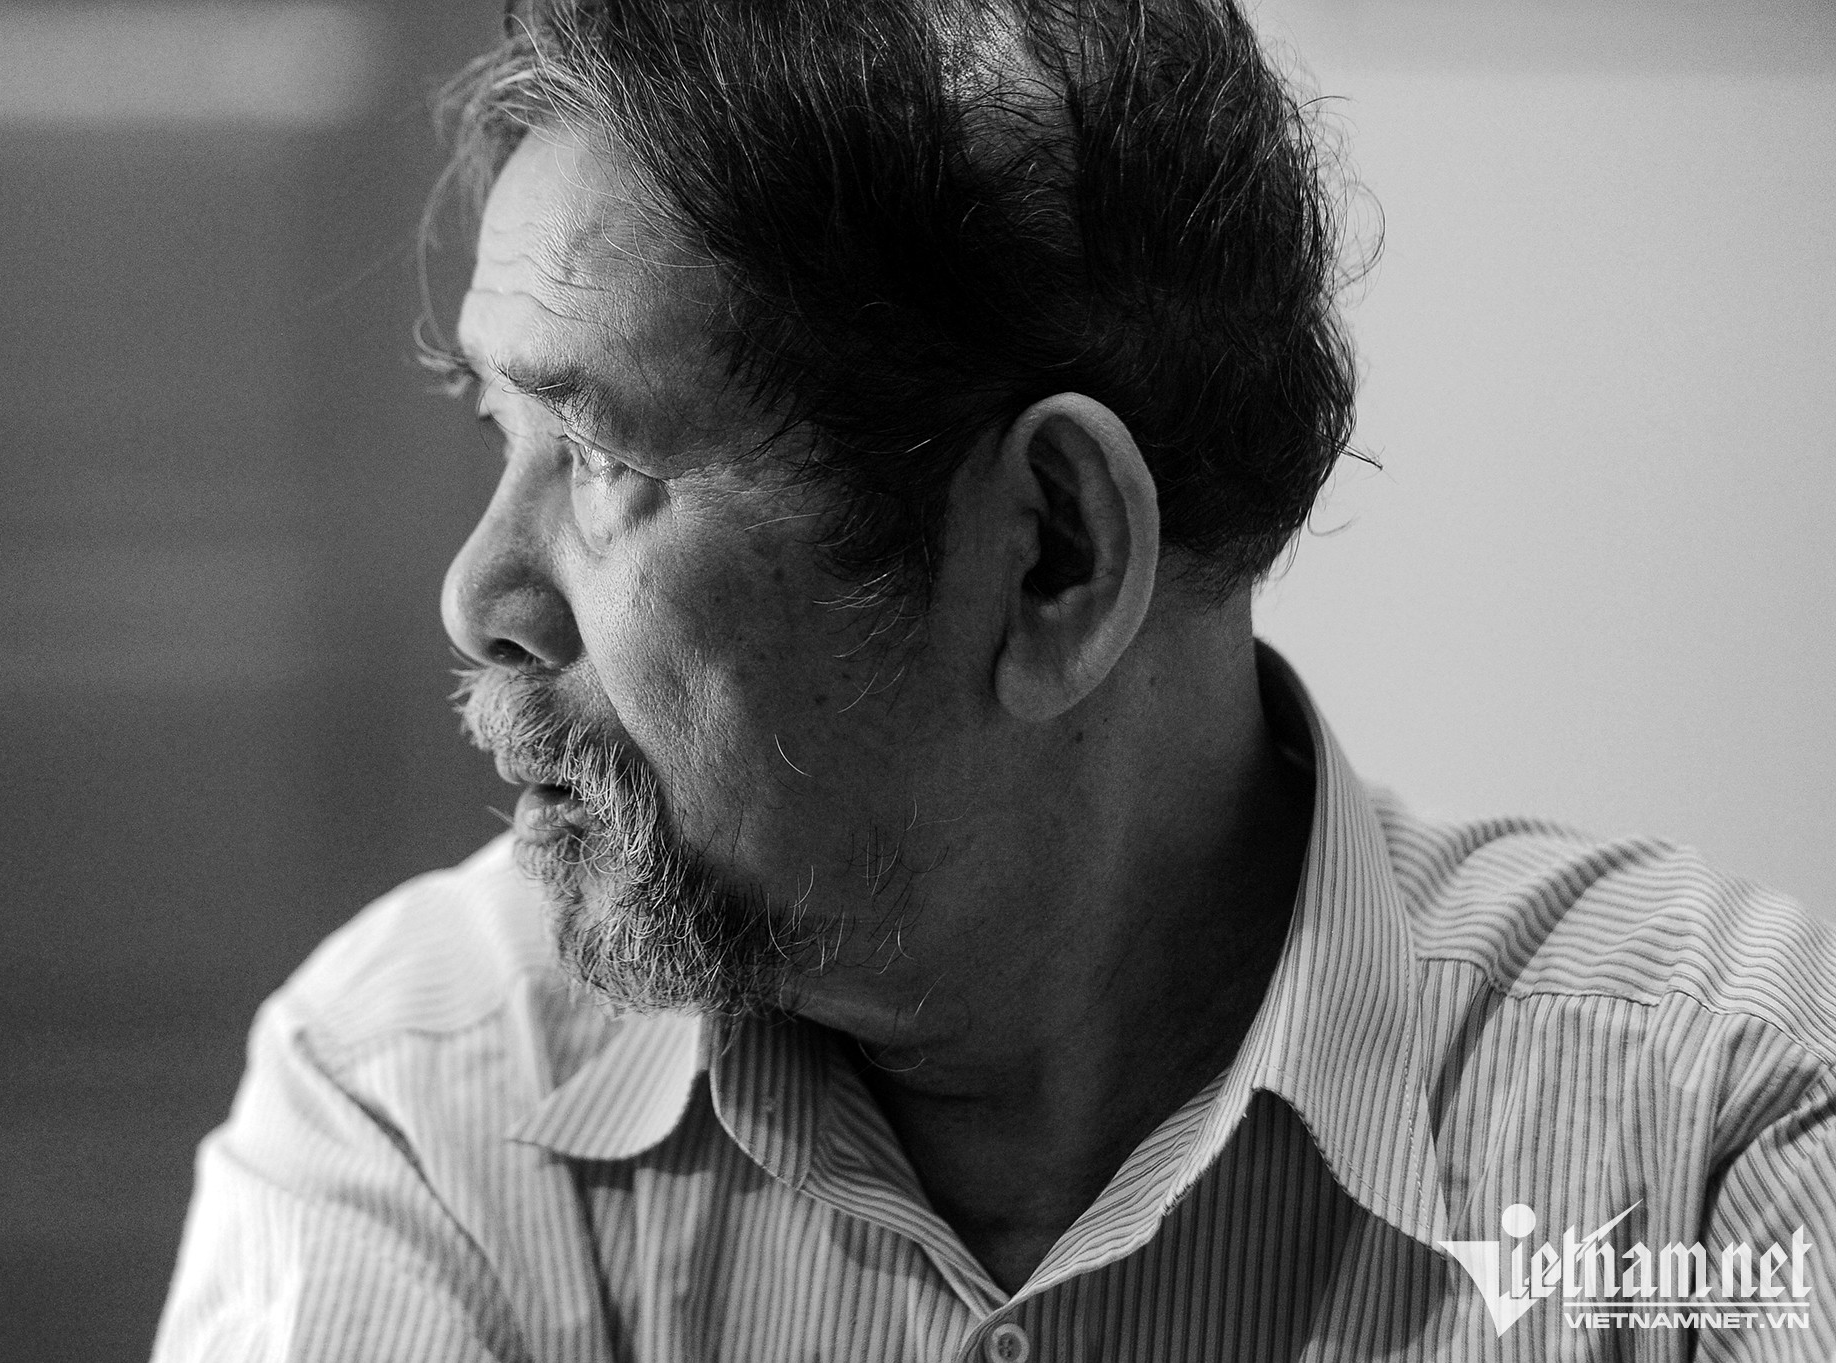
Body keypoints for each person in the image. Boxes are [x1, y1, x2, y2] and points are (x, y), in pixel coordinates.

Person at [153, 1, 1835, 1358]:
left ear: (1052, 557)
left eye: (598, 458)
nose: (478, 600)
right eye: (499, 430)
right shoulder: (428, 1103)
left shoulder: (1710, 1138)